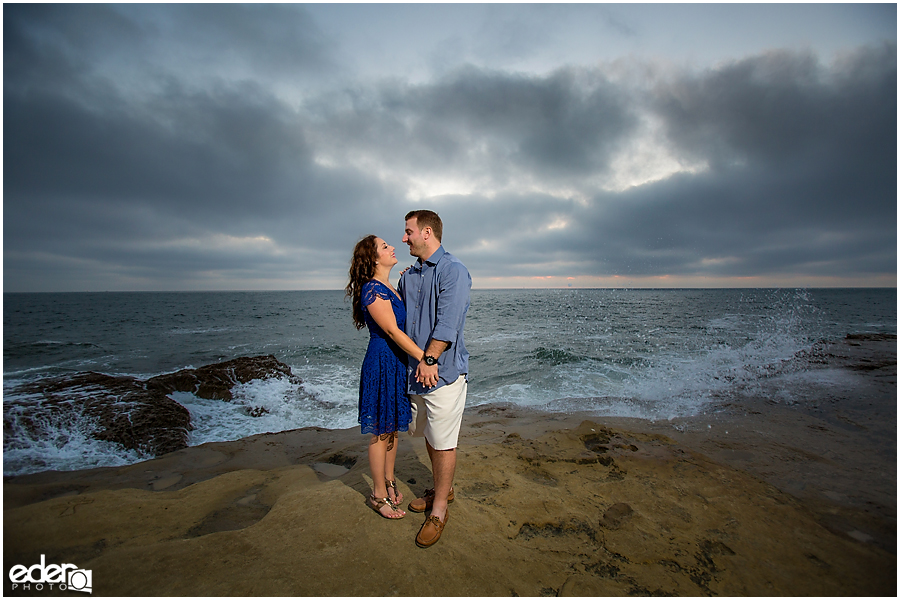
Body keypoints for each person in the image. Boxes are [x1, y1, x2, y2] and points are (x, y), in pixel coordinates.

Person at [398, 209, 471, 548]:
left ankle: (440, 507)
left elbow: (448, 322)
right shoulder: (409, 276)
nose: (404, 237)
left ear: (427, 233)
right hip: (416, 374)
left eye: (409, 231)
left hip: (442, 374)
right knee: (428, 433)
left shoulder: (453, 270)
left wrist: (429, 359)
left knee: (444, 440)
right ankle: (444, 488)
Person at [347, 235, 426, 519]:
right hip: (381, 364)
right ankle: (377, 494)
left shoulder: (389, 287)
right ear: (373, 258)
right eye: (384, 246)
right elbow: (393, 331)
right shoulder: (372, 289)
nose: (392, 247)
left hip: (394, 364)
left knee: (392, 428)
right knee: (380, 431)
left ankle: (390, 480)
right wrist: (424, 358)